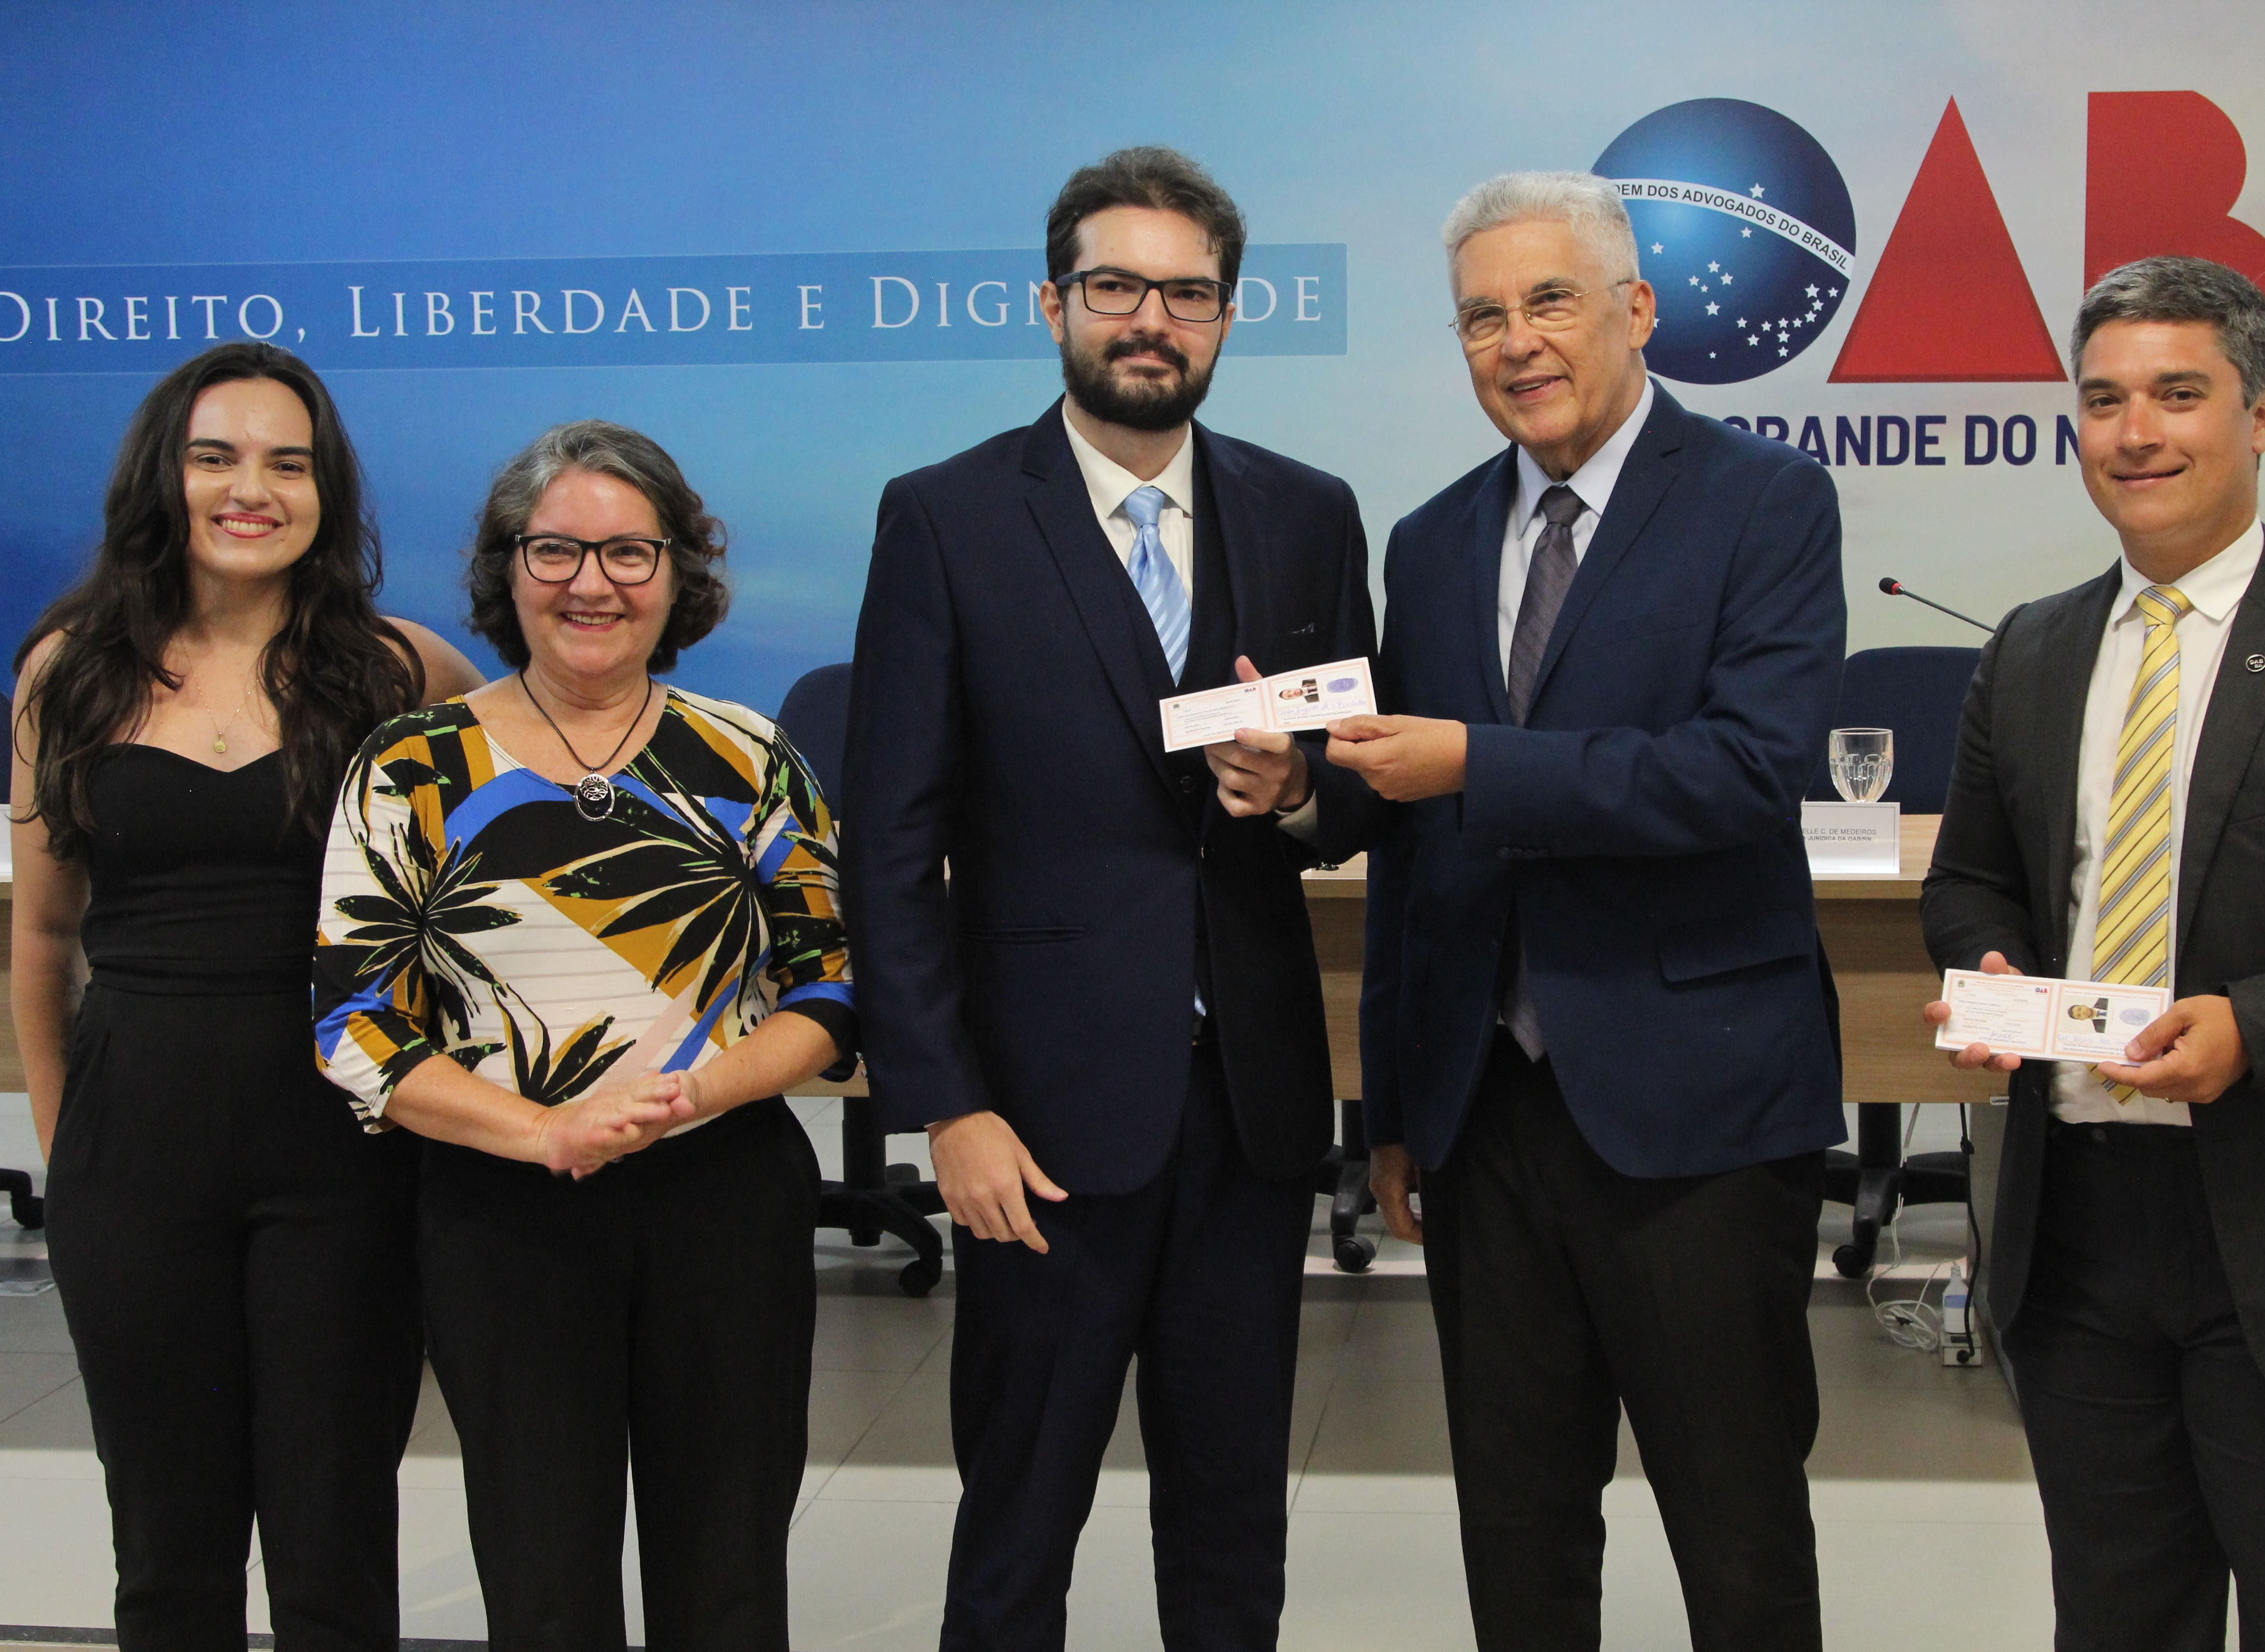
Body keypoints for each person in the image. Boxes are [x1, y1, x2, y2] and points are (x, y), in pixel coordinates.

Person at [842, 146, 1385, 1650]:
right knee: (1020, 1523)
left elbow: (1358, 784)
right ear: (1056, 304)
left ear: (1228, 313)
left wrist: (1299, 793)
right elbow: (888, 841)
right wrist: (946, 1106)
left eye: (1188, 294)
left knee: (1232, 1521)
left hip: (1252, 1110)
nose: (1153, 319)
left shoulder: (1309, 513)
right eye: (1117, 288)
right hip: (1038, 1118)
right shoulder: (947, 518)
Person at [1921, 256, 2265, 1652]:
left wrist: (2256, 1028)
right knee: (2118, 1618)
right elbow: (1972, 878)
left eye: (2179, 394)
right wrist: (1992, 971)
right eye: (2103, 400)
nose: (2135, 434)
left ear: (2263, 414)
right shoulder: (2031, 649)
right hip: (2079, 1231)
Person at [1327, 172, 1845, 1652]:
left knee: (1739, 1540)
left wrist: (1476, 765)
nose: (1517, 341)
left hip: (1698, 1115)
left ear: (1638, 309)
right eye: (1481, 316)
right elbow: (1411, 849)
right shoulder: (1430, 541)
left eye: (1549, 300)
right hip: (1482, 1114)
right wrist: (1392, 1107)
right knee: (1519, 1537)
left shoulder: (1765, 501)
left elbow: (1746, 770)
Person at [312, 420, 853, 1652]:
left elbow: (830, 990)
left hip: (723, 1198)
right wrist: (545, 1132)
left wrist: (698, 1095)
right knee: (542, 1576)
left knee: (728, 1572)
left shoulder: (749, 755)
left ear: (679, 573)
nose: (591, 583)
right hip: (506, 1210)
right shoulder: (412, 766)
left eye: (629, 552)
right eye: (555, 550)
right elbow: (355, 1026)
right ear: (507, 568)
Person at [8, 340, 482, 1649]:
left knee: (335, 1543)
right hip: (132, 1154)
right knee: (169, 1548)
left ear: (329, 491)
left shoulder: (402, 672)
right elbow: (42, 937)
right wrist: (66, 1144)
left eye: (289, 463)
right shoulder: (69, 671)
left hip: (346, 1156)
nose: (251, 490)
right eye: (215, 457)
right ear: (162, 476)